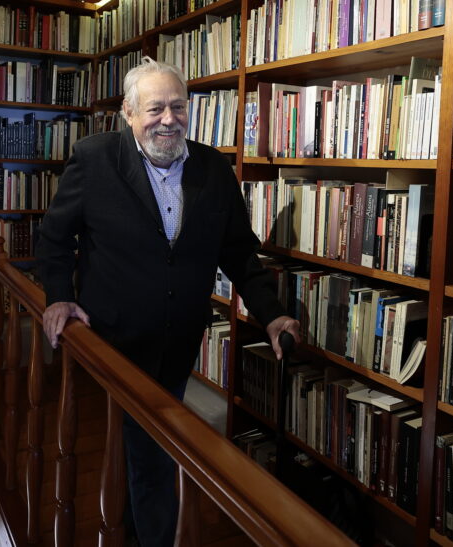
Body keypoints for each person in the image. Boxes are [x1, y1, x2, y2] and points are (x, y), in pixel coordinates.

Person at [35, 57, 300, 546]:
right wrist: (58, 298)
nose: (169, 119)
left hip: (180, 338)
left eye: (178, 107)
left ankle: (134, 529)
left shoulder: (213, 168)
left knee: (150, 444)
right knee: (148, 449)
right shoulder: (94, 159)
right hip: (114, 337)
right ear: (129, 113)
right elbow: (54, 239)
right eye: (155, 108)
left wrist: (272, 312)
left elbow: (239, 251)